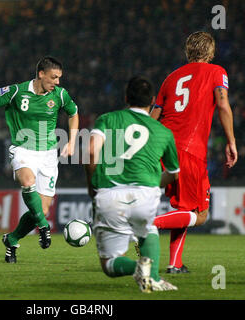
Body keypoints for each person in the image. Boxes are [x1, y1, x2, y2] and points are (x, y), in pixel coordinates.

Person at [0, 56, 79, 263]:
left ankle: (12, 239)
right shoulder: (16, 91)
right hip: (22, 149)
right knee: (27, 182)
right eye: (53, 77)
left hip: (48, 155)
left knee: (43, 208)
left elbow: (73, 113)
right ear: (41, 74)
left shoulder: (60, 94)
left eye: (59, 78)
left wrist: (72, 141)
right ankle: (44, 225)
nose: (57, 82)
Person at [150, 31, 238, 273]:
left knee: (184, 208)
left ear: (188, 51)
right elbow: (222, 104)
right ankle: (147, 225)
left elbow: (153, 117)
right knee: (200, 214)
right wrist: (231, 141)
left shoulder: (171, 78)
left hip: (163, 149)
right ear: (210, 52)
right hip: (189, 150)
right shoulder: (216, 72)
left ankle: (174, 264)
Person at [85, 76, 179, 292]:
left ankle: (139, 267)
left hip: (110, 194)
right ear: (153, 101)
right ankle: (152, 277)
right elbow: (173, 174)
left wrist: (92, 185)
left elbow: (91, 151)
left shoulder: (107, 119)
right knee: (148, 228)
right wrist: (153, 184)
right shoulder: (163, 132)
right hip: (145, 194)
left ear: (126, 97)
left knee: (109, 264)